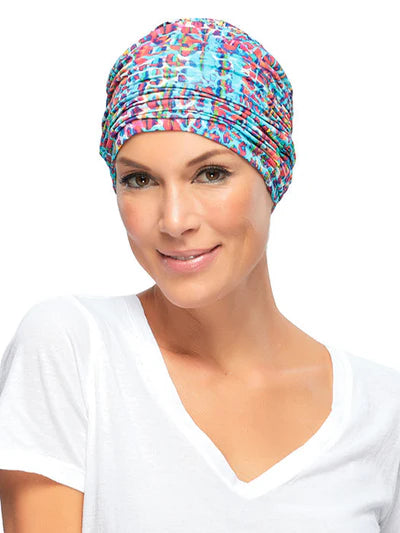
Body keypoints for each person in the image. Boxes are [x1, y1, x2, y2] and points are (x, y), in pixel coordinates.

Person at [0, 16, 399, 533]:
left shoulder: (380, 409)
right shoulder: (73, 350)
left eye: (211, 174)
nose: (174, 220)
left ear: (274, 173)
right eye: (139, 180)